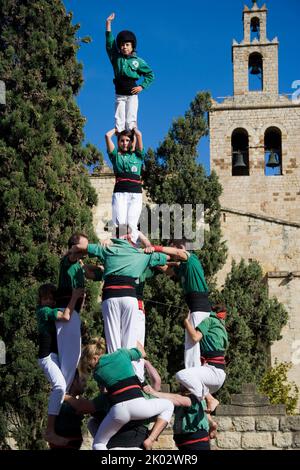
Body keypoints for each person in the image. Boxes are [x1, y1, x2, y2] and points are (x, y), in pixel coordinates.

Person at [70, 231, 170, 382]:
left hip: (133, 306)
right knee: (129, 345)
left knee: (124, 344)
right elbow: (89, 272)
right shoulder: (132, 256)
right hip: (130, 302)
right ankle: (130, 380)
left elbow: (166, 267)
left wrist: (148, 246)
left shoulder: (125, 255)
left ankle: (136, 379)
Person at [79, 338, 174, 450]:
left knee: (98, 444)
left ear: (95, 358)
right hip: (139, 405)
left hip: (119, 411)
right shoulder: (122, 353)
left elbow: (105, 392)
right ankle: (150, 439)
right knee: (169, 405)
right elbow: (142, 353)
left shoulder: (97, 373)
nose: (92, 367)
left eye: (90, 364)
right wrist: (136, 339)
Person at [150, 241, 212, 369]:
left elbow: (178, 253)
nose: (171, 255)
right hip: (194, 306)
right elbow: (167, 270)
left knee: (192, 344)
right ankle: (192, 373)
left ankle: (192, 374)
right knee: (190, 343)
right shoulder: (183, 266)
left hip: (199, 306)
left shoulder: (191, 259)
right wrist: (152, 259)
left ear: (181, 248)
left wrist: (155, 248)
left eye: (172, 251)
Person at [36, 283, 84, 446]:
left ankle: (58, 423)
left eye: (51, 298)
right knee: (60, 386)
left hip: (54, 356)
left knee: (64, 385)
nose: (48, 301)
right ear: (40, 300)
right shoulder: (43, 312)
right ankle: (50, 431)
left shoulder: (50, 309)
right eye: (45, 299)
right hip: (46, 357)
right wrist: (75, 297)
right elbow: (66, 316)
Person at [56, 233, 102, 392]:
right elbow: (73, 253)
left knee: (72, 358)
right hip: (66, 311)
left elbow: (94, 273)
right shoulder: (68, 261)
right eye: (84, 245)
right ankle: (62, 396)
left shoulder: (78, 265)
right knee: (69, 361)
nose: (86, 248)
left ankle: (63, 394)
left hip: (73, 314)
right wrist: (93, 250)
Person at [105, 12, 154, 133]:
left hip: (132, 93)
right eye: (122, 45)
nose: (124, 47)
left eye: (127, 45)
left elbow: (150, 74)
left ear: (132, 46)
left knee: (130, 122)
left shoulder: (138, 61)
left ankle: (133, 143)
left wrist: (142, 86)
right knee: (119, 121)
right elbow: (110, 44)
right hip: (120, 94)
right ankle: (121, 144)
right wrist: (108, 24)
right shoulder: (116, 57)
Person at [175, 307, 229, 414]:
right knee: (188, 386)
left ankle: (210, 399)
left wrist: (186, 322)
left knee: (181, 375)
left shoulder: (209, 321)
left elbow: (195, 337)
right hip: (217, 373)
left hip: (213, 372)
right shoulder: (221, 326)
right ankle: (209, 412)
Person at [143, 384, 216, 451]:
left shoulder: (195, 397)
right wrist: (212, 423)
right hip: (184, 441)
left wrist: (154, 392)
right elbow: (205, 412)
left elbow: (178, 399)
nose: (180, 383)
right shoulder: (183, 396)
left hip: (195, 440)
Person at [105, 127, 144, 242]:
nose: (124, 143)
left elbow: (139, 135)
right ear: (118, 142)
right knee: (120, 222)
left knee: (132, 223)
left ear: (131, 142)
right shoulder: (115, 156)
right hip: (120, 193)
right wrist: (116, 129)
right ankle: (120, 245)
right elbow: (107, 135)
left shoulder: (138, 155)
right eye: (122, 140)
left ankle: (133, 246)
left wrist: (134, 129)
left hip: (135, 194)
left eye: (127, 140)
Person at [49, 370, 86, 450]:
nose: (85, 384)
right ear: (73, 381)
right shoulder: (64, 405)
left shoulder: (69, 401)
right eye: (82, 380)